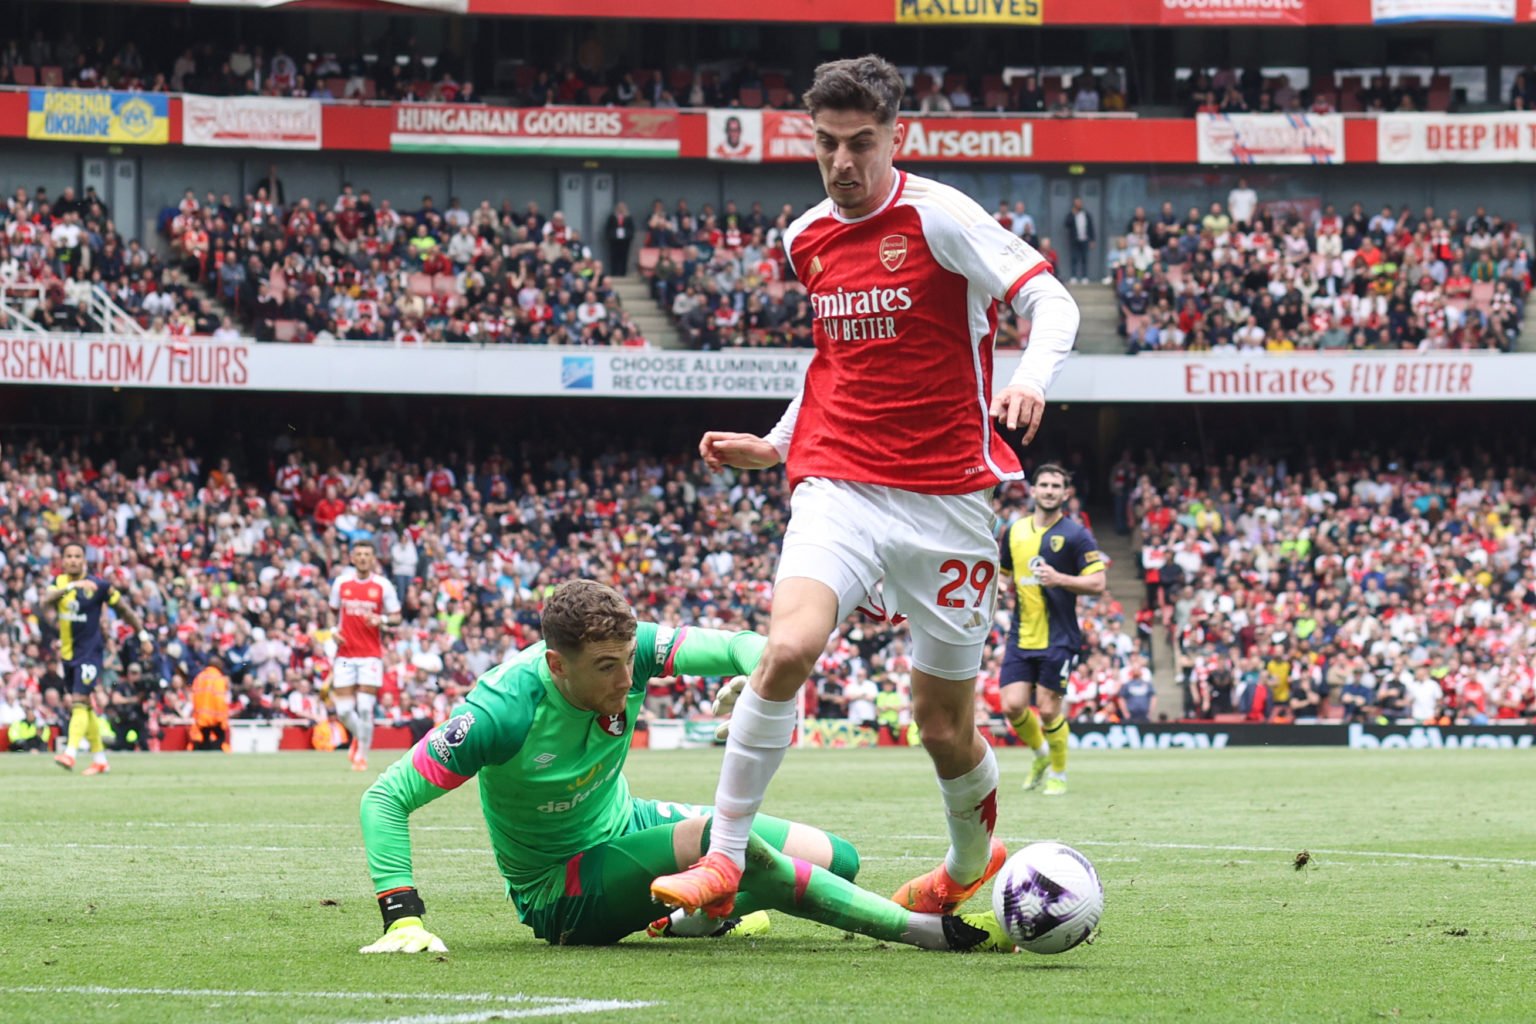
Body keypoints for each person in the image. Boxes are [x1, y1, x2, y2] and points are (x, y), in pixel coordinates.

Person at [649, 54, 1080, 921]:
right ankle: (725, 857)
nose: (842, 163)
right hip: (838, 482)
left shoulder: (939, 217)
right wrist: (777, 447)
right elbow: (832, 364)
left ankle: (968, 862)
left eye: (860, 144)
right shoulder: (805, 236)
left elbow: (1054, 302)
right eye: (826, 144)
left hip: (947, 500)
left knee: (944, 726)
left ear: (894, 137)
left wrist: (1031, 377)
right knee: (788, 649)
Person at [357, 580, 1011, 953]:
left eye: (628, 663)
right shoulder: (502, 711)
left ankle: (690, 914)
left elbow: (748, 643)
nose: (625, 680)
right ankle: (925, 931)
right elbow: (385, 799)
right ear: (557, 665)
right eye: (604, 669)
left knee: (838, 856)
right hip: (561, 889)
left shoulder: (633, 652)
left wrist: (759, 678)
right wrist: (403, 917)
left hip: (626, 824)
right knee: (718, 842)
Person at [997, 464, 1107, 796]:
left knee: (1047, 709)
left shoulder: (1076, 535)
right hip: (1020, 635)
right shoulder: (1014, 531)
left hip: (1059, 637)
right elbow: (1005, 573)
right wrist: (1000, 587)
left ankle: (1059, 772)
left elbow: (1099, 582)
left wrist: (1061, 579)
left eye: (1055, 486)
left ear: (1065, 493)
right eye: (1043, 484)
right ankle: (1042, 755)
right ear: (1032, 490)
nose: (1048, 490)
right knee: (1012, 706)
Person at [42, 542, 149, 775]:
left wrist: (142, 634)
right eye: (68, 556)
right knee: (85, 706)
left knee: (79, 701)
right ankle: (100, 759)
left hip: (90, 654)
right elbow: (44, 602)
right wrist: (71, 587)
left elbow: (125, 610)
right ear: (62, 560)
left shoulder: (99, 586)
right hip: (69, 655)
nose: (72, 560)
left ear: (84, 560)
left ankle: (70, 753)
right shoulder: (59, 583)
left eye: (77, 556)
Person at [327, 540, 401, 771]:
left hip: (370, 656)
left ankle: (362, 755)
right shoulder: (341, 583)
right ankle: (361, 736)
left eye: (367, 554)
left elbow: (397, 616)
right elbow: (331, 612)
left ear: (373, 559)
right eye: (358, 554)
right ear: (351, 557)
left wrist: (383, 620)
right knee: (344, 711)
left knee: (366, 708)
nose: (362, 558)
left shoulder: (382, 586)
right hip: (345, 655)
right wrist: (332, 631)